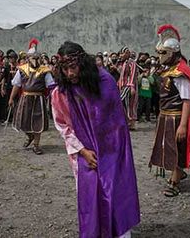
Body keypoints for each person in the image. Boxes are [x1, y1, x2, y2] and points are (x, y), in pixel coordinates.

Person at [51, 41, 140, 237]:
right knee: (91, 198)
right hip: (84, 154)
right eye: (64, 69)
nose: (70, 74)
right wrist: (83, 150)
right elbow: (62, 125)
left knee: (115, 193)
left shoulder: (105, 82)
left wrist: (112, 152)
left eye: (73, 67)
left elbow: (117, 122)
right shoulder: (61, 92)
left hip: (112, 151)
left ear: (82, 64)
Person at [149, 24, 190, 197]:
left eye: (163, 53)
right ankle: (178, 173)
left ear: (173, 53)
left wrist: (183, 125)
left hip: (176, 118)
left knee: (176, 148)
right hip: (165, 116)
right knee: (167, 147)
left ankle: (174, 181)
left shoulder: (180, 73)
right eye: (159, 52)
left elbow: (187, 100)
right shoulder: (168, 71)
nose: (159, 56)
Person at [8, 39, 53, 155]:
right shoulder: (22, 69)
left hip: (39, 99)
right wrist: (11, 98)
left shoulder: (44, 70)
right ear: (28, 58)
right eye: (33, 57)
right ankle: (30, 136)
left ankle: (36, 145)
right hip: (25, 99)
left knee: (38, 122)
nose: (35, 60)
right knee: (23, 121)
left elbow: (51, 86)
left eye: (37, 57)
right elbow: (16, 85)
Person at [118, 47, 139, 130]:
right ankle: (127, 121)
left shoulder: (132, 63)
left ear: (127, 53)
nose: (121, 55)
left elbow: (133, 74)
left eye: (122, 53)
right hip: (123, 86)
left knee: (129, 103)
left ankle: (131, 122)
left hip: (128, 86)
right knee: (125, 103)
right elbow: (122, 76)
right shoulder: (124, 63)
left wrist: (132, 86)